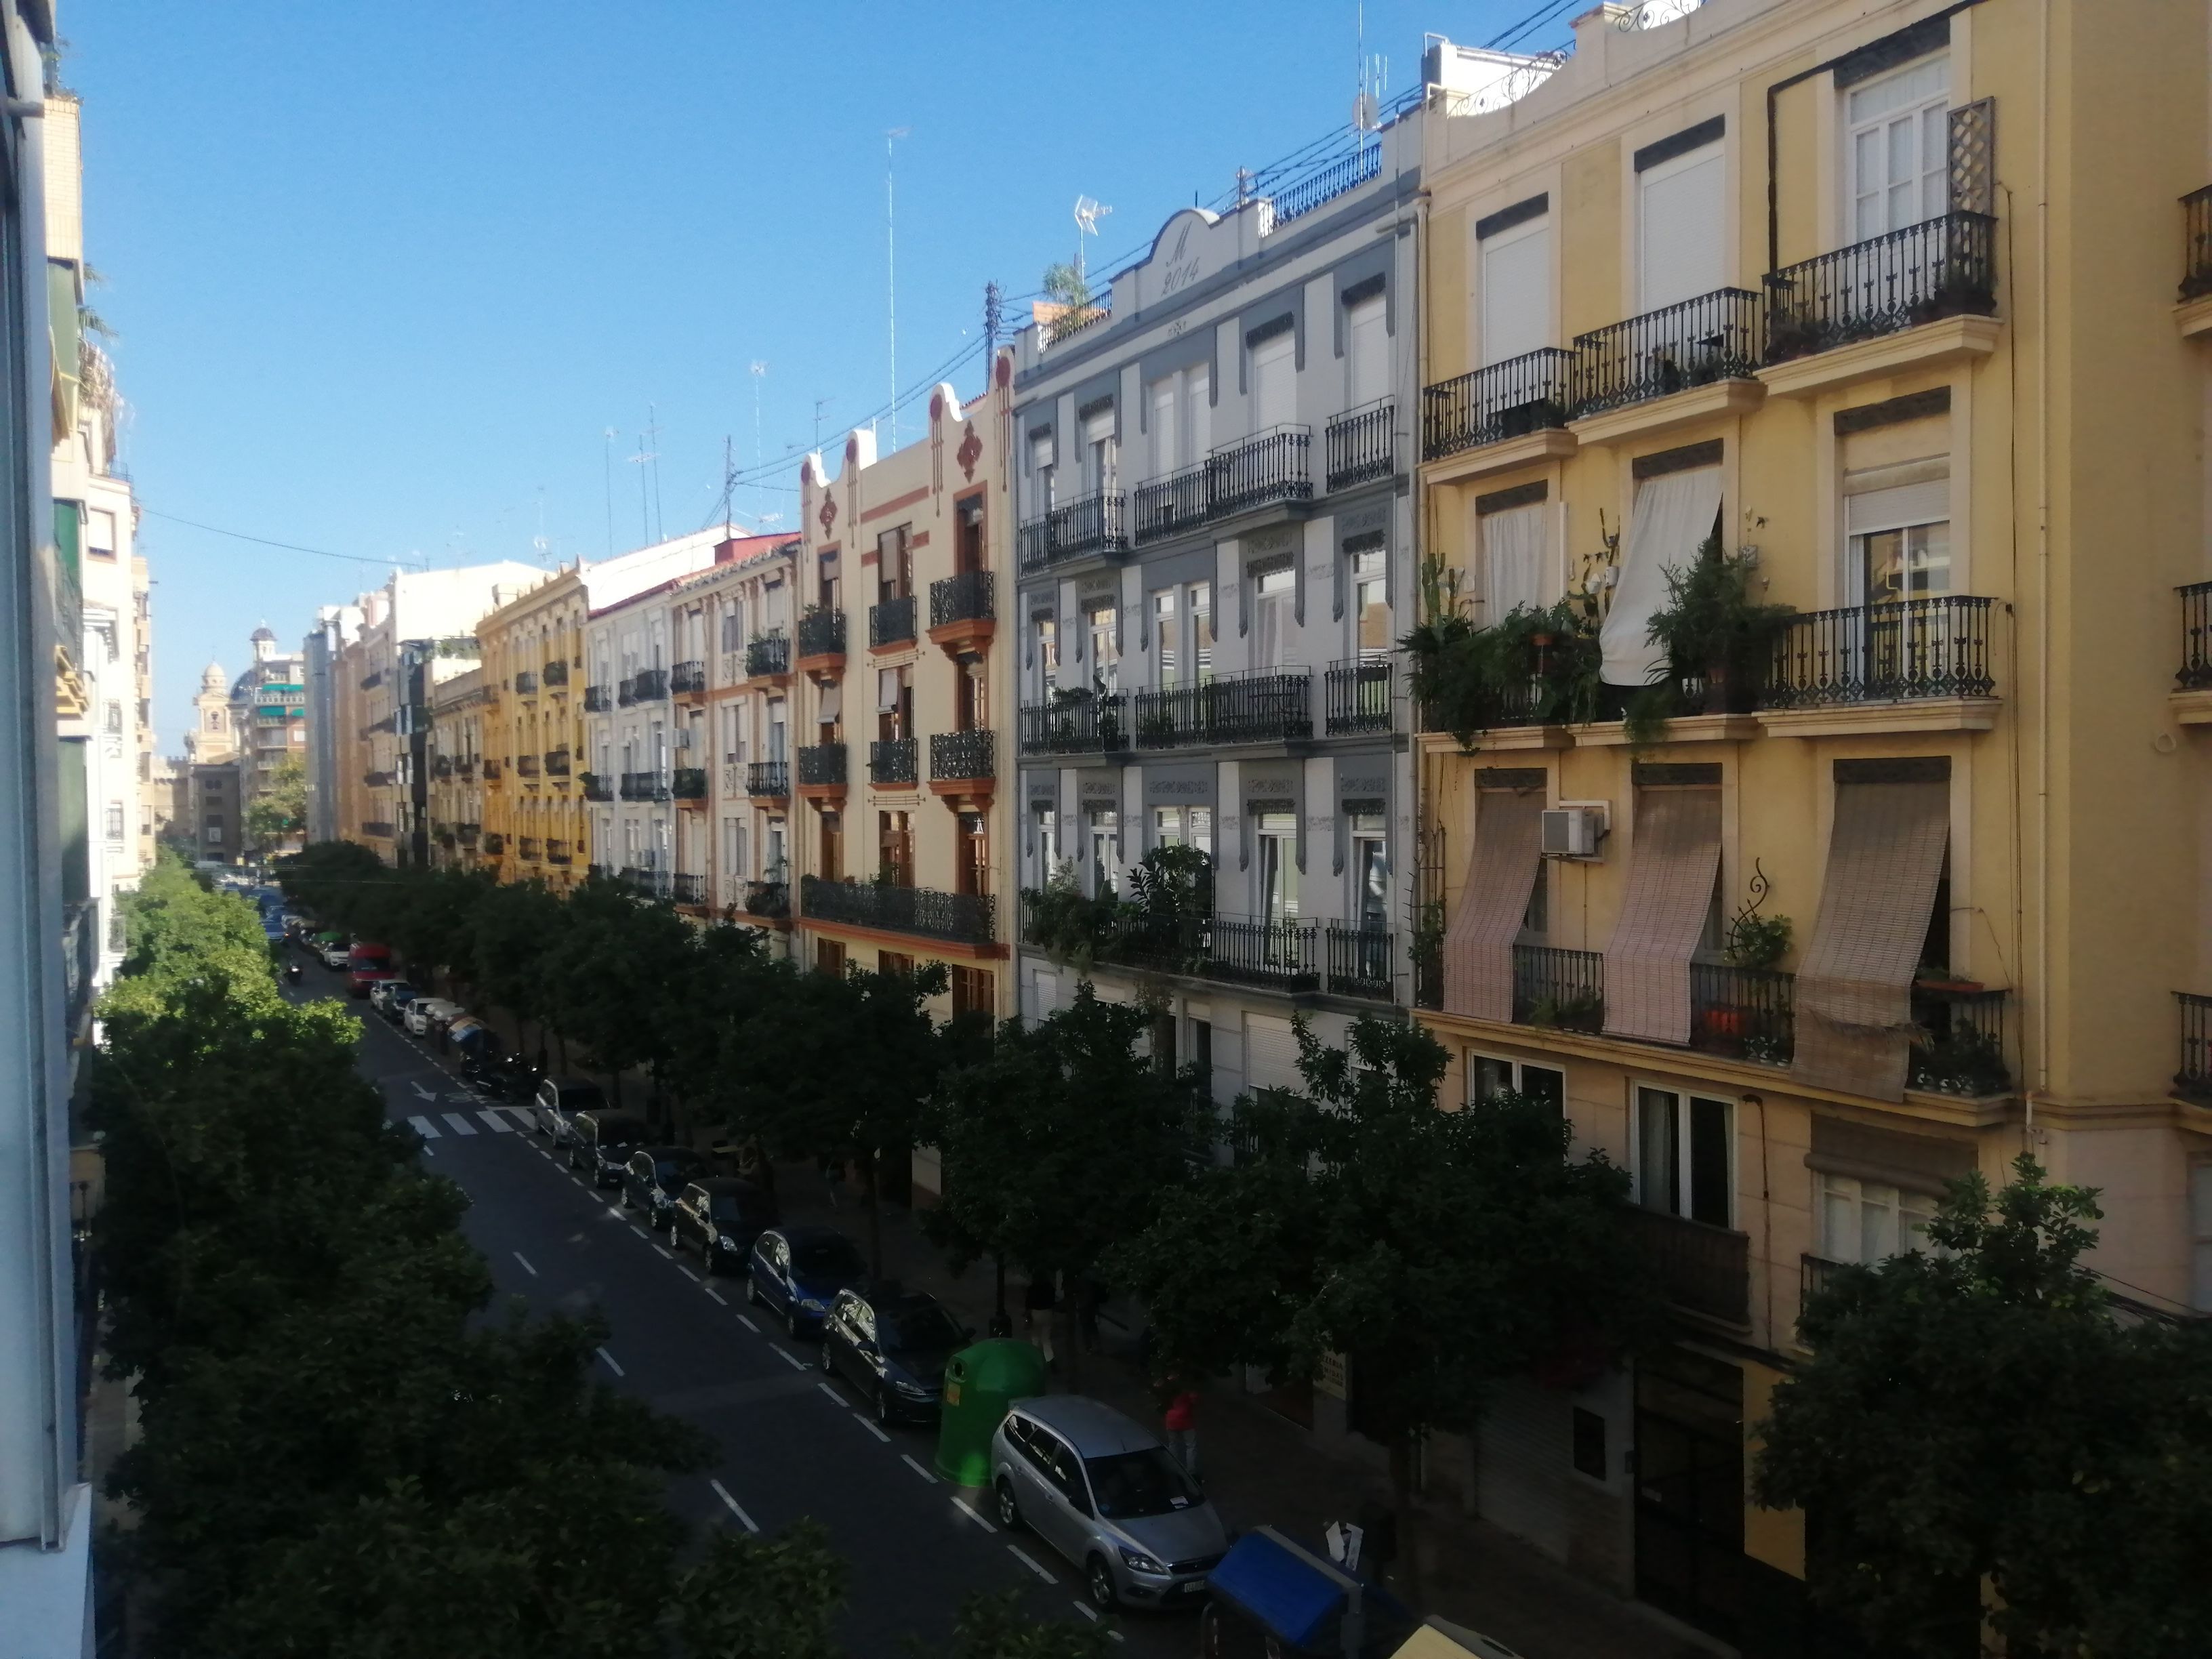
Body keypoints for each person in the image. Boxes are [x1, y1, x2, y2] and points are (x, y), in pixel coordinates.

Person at [1161, 1372, 1200, 1483]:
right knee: (1191, 1446)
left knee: (1173, 1444)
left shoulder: (1165, 1387)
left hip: (1171, 1420)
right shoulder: (1185, 1387)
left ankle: (1174, 1468)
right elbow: (1194, 1400)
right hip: (1186, 1421)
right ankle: (1191, 1471)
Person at [1022, 1273, 1057, 1368]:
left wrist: (1027, 1314)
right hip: (1048, 1312)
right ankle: (1050, 1359)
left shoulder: (1032, 1289)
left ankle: (1035, 1360)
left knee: (1035, 1337)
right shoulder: (1050, 1288)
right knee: (1046, 1338)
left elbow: (1028, 1303)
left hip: (1036, 1313)